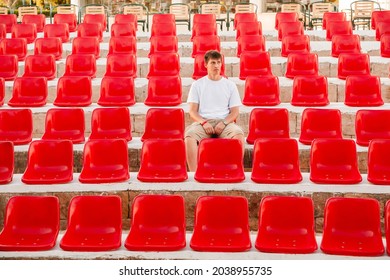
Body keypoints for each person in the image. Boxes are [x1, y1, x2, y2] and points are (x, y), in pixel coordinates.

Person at [185, 50, 245, 172]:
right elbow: (192, 111)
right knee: (189, 136)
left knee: (239, 134)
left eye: (219, 62)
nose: (216, 66)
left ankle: (235, 169)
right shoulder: (197, 85)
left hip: (224, 122)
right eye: (213, 62)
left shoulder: (230, 85)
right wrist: (203, 122)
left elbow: (234, 112)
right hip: (203, 122)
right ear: (206, 65)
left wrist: (224, 123)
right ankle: (195, 173)